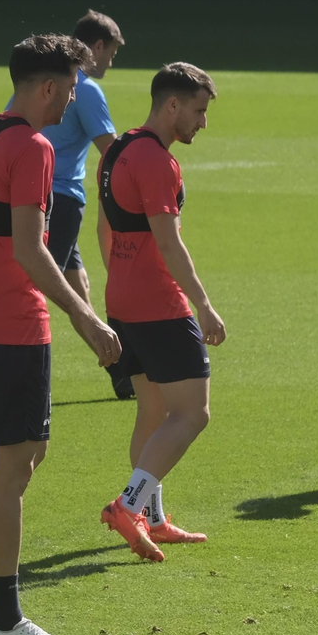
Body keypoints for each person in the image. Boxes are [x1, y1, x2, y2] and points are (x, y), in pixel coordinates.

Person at [0, 34, 123, 635]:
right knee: (13, 467)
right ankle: (8, 620)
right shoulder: (35, 147)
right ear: (47, 87)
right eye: (69, 89)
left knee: (22, 457)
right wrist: (85, 317)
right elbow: (30, 249)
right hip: (13, 325)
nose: (72, 101)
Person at [94, 63, 227, 562]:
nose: (203, 122)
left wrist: (120, 280)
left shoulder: (117, 150)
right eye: (198, 111)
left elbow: (105, 228)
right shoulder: (156, 160)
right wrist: (204, 306)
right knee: (193, 413)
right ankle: (127, 506)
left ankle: (152, 518)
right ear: (172, 105)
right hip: (158, 303)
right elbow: (169, 244)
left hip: (123, 298)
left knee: (153, 412)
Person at [44, 10, 128, 399]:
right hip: (58, 201)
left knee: (79, 290)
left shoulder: (43, 81)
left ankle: (121, 373)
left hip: (43, 196)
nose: (111, 62)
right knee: (39, 290)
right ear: (96, 47)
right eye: (111, 54)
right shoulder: (85, 88)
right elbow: (113, 153)